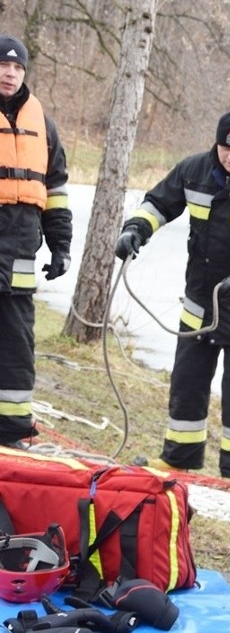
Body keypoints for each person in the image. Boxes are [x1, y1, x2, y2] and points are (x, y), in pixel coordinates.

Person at [115, 110, 230, 481]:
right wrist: (135, 229)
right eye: (226, 149)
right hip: (198, 306)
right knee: (187, 384)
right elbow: (158, 204)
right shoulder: (193, 170)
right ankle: (179, 459)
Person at [0, 34, 73, 448]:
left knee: (16, 348)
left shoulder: (42, 124)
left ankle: (11, 433)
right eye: (3, 66)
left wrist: (60, 244)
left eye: (18, 68)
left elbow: (56, 188)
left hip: (20, 259)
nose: (10, 73)